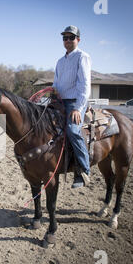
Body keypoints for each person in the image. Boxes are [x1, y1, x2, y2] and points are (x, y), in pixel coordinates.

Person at [52, 25, 91, 188]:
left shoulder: (82, 57)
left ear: (78, 40)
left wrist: (78, 108)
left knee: (73, 131)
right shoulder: (60, 61)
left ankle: (83, 170)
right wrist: (53, 93)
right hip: (60, 101)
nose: (67, 41)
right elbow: (56, 82)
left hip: (75, 101)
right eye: (65, 38)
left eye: (71, 38)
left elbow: (85, 84)